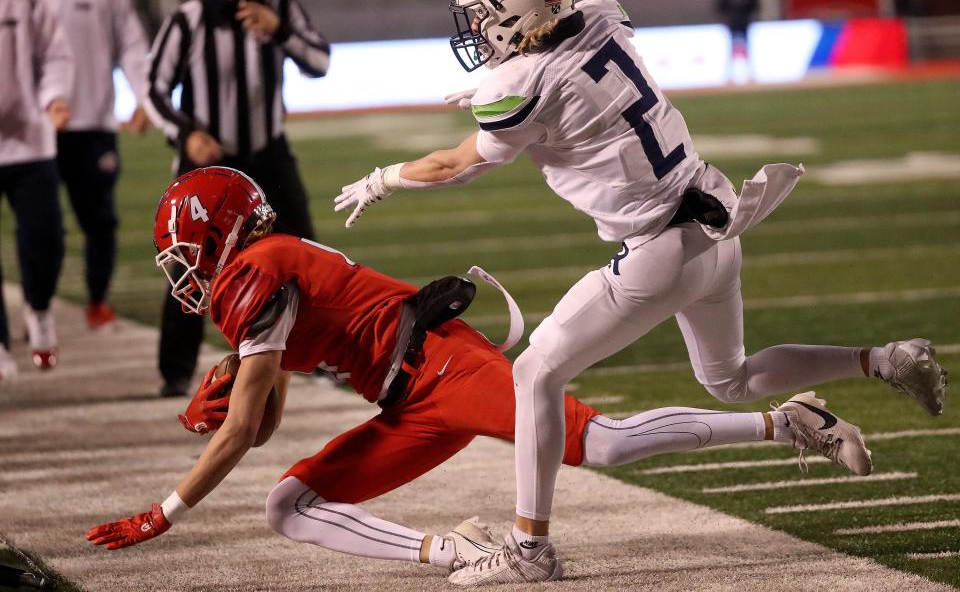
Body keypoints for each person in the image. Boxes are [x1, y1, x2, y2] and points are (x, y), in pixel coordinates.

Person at [332, 0, 949, 585]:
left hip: (658, 252)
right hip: (715, 223)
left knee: (535, 375)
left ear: (515, 10)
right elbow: (564, 77)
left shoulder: (518, 85)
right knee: (730, 380)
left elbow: (455, 166)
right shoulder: (604, 16)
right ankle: (884, 360)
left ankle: (529, 549)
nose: (479, 27)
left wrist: (384, 177)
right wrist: (502, 89)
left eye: (486, 13)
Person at [87, 167, 873, 577]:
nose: (182, 275)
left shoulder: (254, 274)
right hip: (409, 401)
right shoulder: (266, 272)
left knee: (594, 444)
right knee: (289, 503)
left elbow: (238, 436)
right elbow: (260, 428)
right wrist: (229, 392)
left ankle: (786, 419)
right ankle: (453, 551)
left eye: (184, 256)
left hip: (442, 365)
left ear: (218, 238)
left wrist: (163, 512)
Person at [144, 0, 329, 398]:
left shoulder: (279, 6)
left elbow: (321, 61)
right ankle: (176, 371)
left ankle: (324, 353)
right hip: (208, 166)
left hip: (268, 153)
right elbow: (153, 87)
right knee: (189, 262)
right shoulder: (188, 19)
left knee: (305, 254)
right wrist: (187, 135)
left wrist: (280, 30)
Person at [8, 0, 152, 332]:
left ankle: (97, 301)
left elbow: (132, 43)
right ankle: (38, 306)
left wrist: (144, 97)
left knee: (100, 219)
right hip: (34, 128)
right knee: (36, 224)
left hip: (92, 123)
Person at [0, 0, 72, 376]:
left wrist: (54, 97)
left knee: (46, 240)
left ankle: (40, 308)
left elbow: (57, 55)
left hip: (30, 141)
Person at [715, 0, 759, 84]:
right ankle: (730, 74)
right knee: (731, 47)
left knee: (746, 46)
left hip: (745, 20)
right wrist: (724, 17)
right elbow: (721, 3)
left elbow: (755, 3)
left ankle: (750, 73)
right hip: (732, 20)